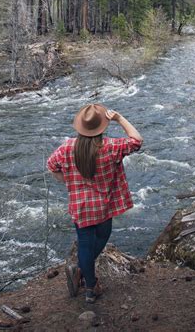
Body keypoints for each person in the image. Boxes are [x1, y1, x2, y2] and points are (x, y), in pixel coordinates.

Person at [46, 103, 143, 304]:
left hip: (80, 207)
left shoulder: (66, 147)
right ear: (102, 127)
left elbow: (51, 166)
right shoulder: (110, 146)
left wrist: (68, 181)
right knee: (102, 237)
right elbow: (136, 140)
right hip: (104, 206)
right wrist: (119, 118)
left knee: (85, 245)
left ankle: (87, 282)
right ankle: (88, 283)